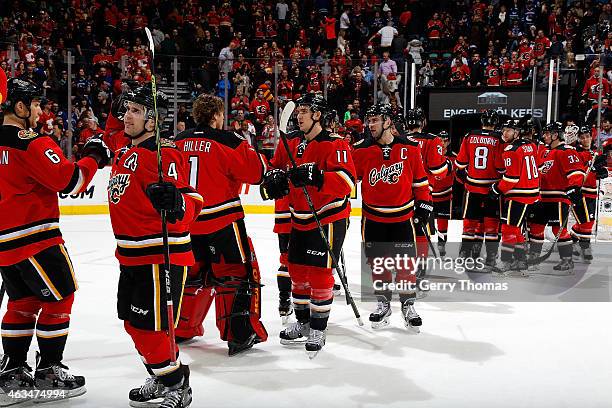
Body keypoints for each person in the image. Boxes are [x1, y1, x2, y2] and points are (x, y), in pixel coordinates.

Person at [0, 76, 111, 404]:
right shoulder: (29, 141)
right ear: (19, 107)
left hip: (5, 244)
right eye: (34, 105)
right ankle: (49, 369)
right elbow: (70, 180)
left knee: (22, 304)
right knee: (60, 300)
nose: (39, 112)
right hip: (36, 239)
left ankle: (12, 373)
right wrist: (94, 155)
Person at [108, 85, 203, 407]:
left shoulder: (164, 154)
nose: (126, 116)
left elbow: (193, 198)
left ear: (153, 120)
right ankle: (162, 374)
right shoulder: (124, 151)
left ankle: (177, 385)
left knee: (150, 326)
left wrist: (177, 203)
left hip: (158, 257)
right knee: (133, 323)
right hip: (130, 256)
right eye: (127, 109)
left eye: (135, 110)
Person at [261, 93, 356, 357]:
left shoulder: (336, 144)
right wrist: (273, 178)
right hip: (298, 216)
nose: (298, 115)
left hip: (328, 216)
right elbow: (274, 169)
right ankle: (302, 323)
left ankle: (318, 327)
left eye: (304, 111)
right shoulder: (289, 141)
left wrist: (320, 177)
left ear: (317, 115)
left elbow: (348, 182)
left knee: (319, 274)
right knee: (296, 271)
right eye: (298, 111)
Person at [173, 94, 268, 356]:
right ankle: (239, 334)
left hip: (187, 223)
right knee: (235, 276)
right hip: (223, 222)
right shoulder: (229, 140)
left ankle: (182, 328)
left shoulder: (177, 142)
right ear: (216, 116)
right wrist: (253, 149)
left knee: (190, 277)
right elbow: (256, 174)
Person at [352, 103, 431, 331]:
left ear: (388, 121)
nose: (370, 124)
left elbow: (420, 183)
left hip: (402, 218)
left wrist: (424, 204)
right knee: (379, 264)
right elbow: (347, 181)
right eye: (369, 120)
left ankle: (408, 304)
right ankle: (383, 303)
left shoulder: (410, 147)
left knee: (405, 264)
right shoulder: (361, 149)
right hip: (373, 218)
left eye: (375, 119)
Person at [527, 122, 586, 273]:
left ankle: (567, 260)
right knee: (536, 228)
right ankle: (533, 258)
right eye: (545, 133)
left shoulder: (566, 151)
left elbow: (576, 172)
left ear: (555, 135)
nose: (545, 136)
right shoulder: (545, 151)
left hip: (558, 198)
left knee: (557, 230)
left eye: (548, 133)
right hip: (541, 197)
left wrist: (574, 188)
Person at [454, 109, 505, 269]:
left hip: (472, 186)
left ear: (482, 122)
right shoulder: (500, 139)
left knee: (469, 223)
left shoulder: (469, 136)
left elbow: (460, 164)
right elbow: (503, 167)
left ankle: (464, 255)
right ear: (496, 123)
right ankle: (490, 258)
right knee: (492, 224)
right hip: (493, 188)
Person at [489, 119, 540, 276]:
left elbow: (511, 178)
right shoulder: (530, 145)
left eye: (509, 130)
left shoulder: (511, 149)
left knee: (508, 229)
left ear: (517, 133)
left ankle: (506, 262)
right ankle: (521, 261)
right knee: (517, 230)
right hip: (532, 194)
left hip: (519, 195)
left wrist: (496, 189)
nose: (504, 133)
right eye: (504, 129)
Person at [570, 126, 608, 262]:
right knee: (587, 222)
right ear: (578, 138)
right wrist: (592, 168)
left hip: (592, 192)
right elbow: (580, 174)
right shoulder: (575, 153)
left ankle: (572, 241)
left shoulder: (594, 153)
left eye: (587, 136)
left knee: (584, 222)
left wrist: (601, 172)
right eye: (582, 137)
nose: (586, 139)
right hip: (581, 192)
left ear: (591, 137)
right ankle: (585, 247)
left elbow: (595, 171)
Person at [431, 130, 455, 257]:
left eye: (445, 140)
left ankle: (441, 245)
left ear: (449, 141)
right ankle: (422, 244)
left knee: (443, 222)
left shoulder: (454, 157)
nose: (443, 143)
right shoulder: (431, 154)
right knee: (424, 222)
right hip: (428, 195)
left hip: (445, 195)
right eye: (441, 140)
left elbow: (460, 176)